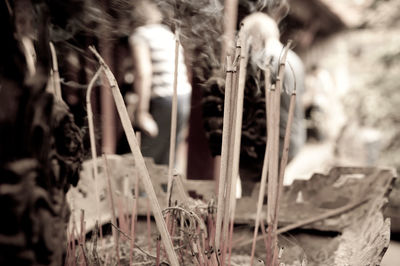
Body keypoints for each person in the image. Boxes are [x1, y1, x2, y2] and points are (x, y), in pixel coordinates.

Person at [126, 0, 192, 165]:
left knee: (148, 159)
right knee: (169, 157)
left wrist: (141, 112)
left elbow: (143, 72)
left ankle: (143, 191)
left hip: (163, 100)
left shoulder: (140, 36)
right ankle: (165, 190)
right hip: (183, 97)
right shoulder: (166, 33)